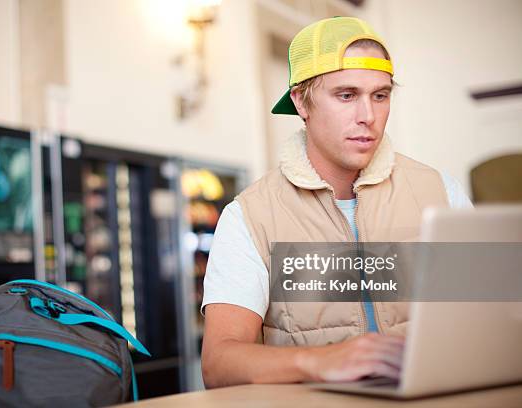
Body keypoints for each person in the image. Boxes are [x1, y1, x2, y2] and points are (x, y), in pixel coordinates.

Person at [200, 16, 472, 388]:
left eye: (381, 95)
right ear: (301, 101)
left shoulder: (441, 193)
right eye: (346, 95)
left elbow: (496, 323)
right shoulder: (249, 217)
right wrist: (322, 360)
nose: (369, 117)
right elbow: (219, 364)